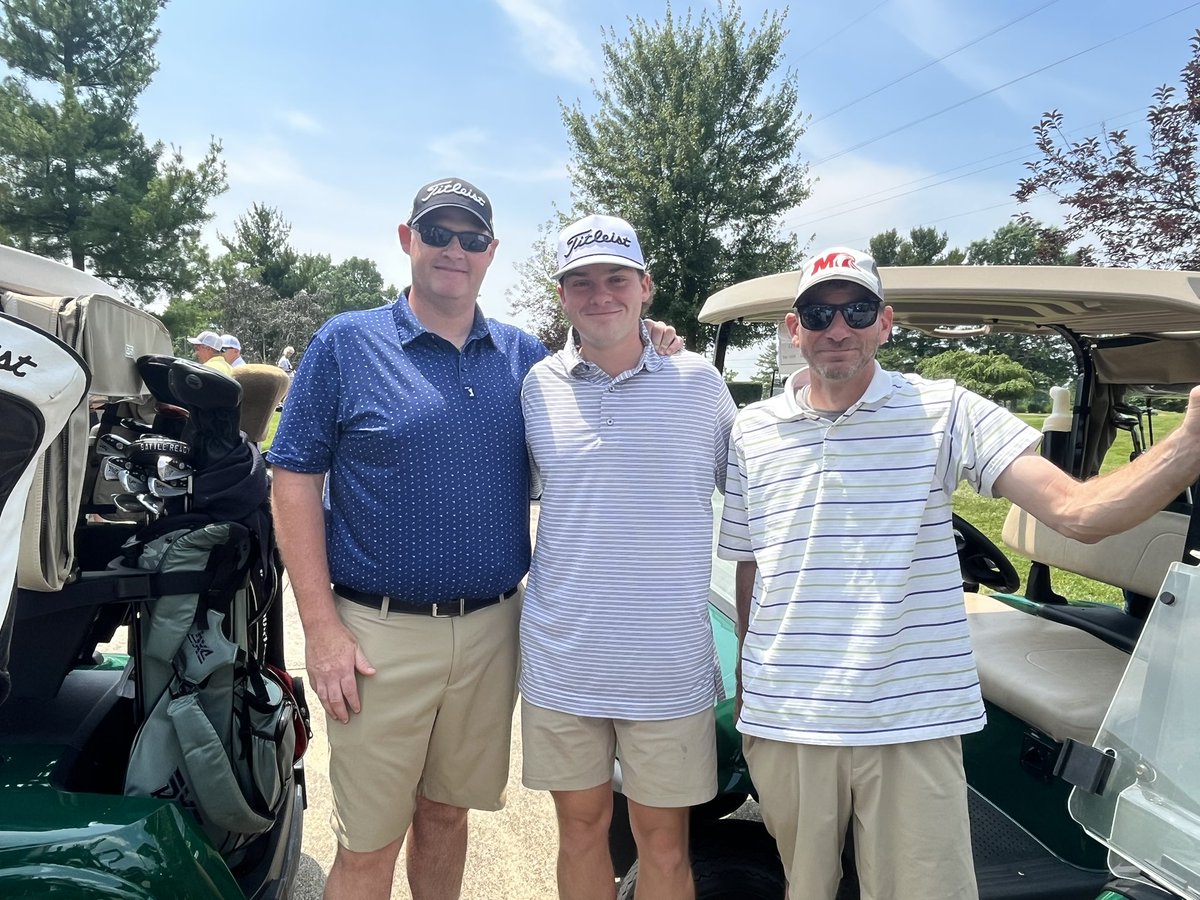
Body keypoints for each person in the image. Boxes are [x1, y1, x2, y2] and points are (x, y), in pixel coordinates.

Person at [718, 246, 1200, 900]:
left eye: (857, 309)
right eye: (818, 311)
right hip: (787, 717)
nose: (838, 327)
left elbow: (1077, 512)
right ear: (793, 326)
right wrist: (749, 685)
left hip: (909, 720)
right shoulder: (753, 429)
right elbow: (752, 565)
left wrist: (1189, 443)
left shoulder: (945, 411)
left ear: (885, 323)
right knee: (806, 888)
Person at [266, 178, 682, 900]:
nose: (453, 250)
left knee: (447, 815)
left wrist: (654, 335)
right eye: (438, 234)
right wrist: (321, 629)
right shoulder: (346, 342)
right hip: (377, 635)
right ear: (407, 239)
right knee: (368, 842)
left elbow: (610, 365)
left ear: (492, 251)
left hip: (494, 629)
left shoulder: (524, 359)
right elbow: (293, 479)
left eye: (470, 238)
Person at [520, 214, 736, 899]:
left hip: (665, 666)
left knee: (665, 844)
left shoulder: (700, 385)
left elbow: (759, 494)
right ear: (562, 296)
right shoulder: (536, 387)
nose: (599, 294)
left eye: (616, 278)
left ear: (646, 288)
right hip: (564, 659)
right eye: (580, 281)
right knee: (580, 832)